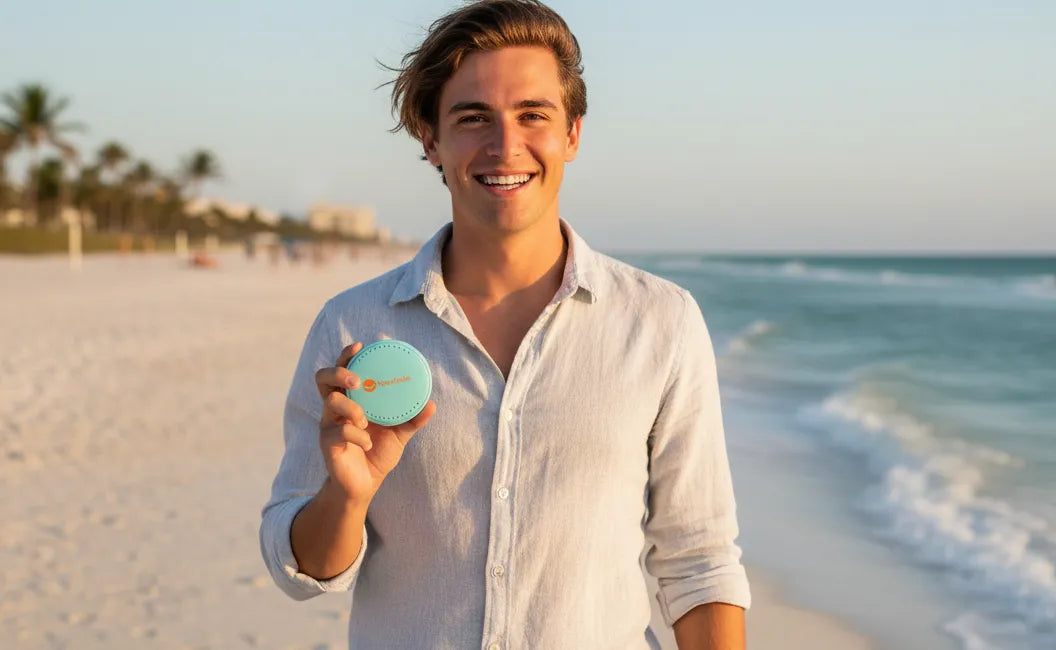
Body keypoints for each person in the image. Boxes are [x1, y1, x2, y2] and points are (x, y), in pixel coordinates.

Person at [259, 1, 751, 648]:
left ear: (572, 133)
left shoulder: (659, 322)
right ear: (430, 139)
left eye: (533, 115)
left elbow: (699, 560)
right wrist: (347, 496)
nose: (504, 146)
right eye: (472, 118)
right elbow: (301, 572)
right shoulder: (355, 325)